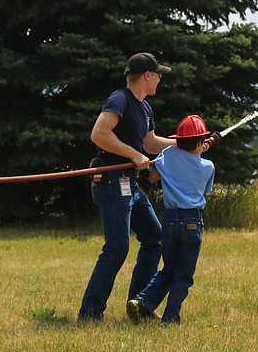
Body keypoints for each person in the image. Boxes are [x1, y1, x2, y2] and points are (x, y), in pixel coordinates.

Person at [78, 52, 176, 322]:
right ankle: (90, 313)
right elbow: (99, 134)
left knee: (155, 239)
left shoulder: (145, 108)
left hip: (128, 183)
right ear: (147, 75)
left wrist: (185, 145)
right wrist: (133, 155)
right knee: (117, 247)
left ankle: (139, 306)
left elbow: (151, 144)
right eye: (158, 75)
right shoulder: (119, 99)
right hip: (110, 182)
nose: (159, 80)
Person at [127, 115, 215, 325]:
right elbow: (205, 189)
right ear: (201, 141)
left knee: (168, 269)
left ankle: (143, 301)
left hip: (169, 220)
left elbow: (152, 177)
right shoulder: (208, 167)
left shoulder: (168, 154)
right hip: (192, 221)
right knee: (183, 275)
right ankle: (171, 318)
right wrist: (201, 151)